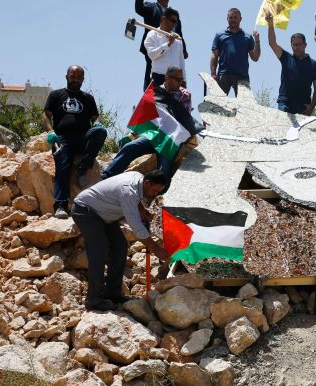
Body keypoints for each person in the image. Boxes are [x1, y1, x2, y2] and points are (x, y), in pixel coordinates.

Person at [72, 170, 171, 310]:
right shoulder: (128, 192)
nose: (155, 195)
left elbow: (136, 202)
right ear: (147, 183)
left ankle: (112, 293)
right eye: (154, 191)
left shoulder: (139, 178)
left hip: (105, 215)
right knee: (99, 251)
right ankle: (94, 299)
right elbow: (136, 227)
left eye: (158, 192)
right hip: (85, 211)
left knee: (120, 247)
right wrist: (156, 249)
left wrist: (143, 211)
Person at [101, 66, 199, 180]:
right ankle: (106, 176)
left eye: (181, 80)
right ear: (167, 78)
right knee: (130, 147)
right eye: (177, 79)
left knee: (164, 168)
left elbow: (183, 121)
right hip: (152, 136)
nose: (179, 83)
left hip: (170, 140)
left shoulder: (184, 95)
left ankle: (160, 193)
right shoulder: (155, 92)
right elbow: (145, 116)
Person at [42, 65, 107, 219]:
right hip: (62, 138)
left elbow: (95, 117)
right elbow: (46, 115)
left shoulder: (88, 98)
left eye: (79, 77)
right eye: (73, 76)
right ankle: (61, 206)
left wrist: (97, 123)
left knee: (101, 131)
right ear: (67, 77)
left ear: (83, 79)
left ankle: (83, 166)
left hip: (83, 137)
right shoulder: (56, 95)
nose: (75, 80)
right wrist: (50, 131)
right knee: (63, 166)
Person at [266, 12, 316, 115]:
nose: (297, 47)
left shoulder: (313, 64)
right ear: (291, 46)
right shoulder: (285, 57)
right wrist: (270, 24)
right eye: (294, 45)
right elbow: (272, 43)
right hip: (284, 104)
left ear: (305, 45)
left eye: (299, 44)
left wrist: (312, 107)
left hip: (303, 106)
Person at [135, 0, 187, 90]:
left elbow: (179, 33)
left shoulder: (174, 14)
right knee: (153, 71)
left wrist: (183, 50)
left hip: (173, 48)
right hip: (157, 44)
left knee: (173, 76)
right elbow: (139, 9)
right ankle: (149, 94)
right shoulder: (151, 7)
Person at [210, 8, 261, 96]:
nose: (233, 20)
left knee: (245, 105)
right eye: (231, 17)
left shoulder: (247, 37)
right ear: (227, 19)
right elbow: (214, 55)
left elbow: (255, 57)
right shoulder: (219, 36)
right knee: (218, 104)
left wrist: (257, 41)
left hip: (242, 77)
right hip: (223, 75)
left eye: (235, 17)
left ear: (240, 19)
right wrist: (213, 74)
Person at [143, 8, 185, 88]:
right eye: (172, 20)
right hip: (159, 78)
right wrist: (168, 44)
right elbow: (152, 55)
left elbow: (181, 62)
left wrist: (184, 80)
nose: (174, 24)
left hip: (175, 81)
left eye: (176, 22)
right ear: (164, 19)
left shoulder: (178, 39)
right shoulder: (152, 35)